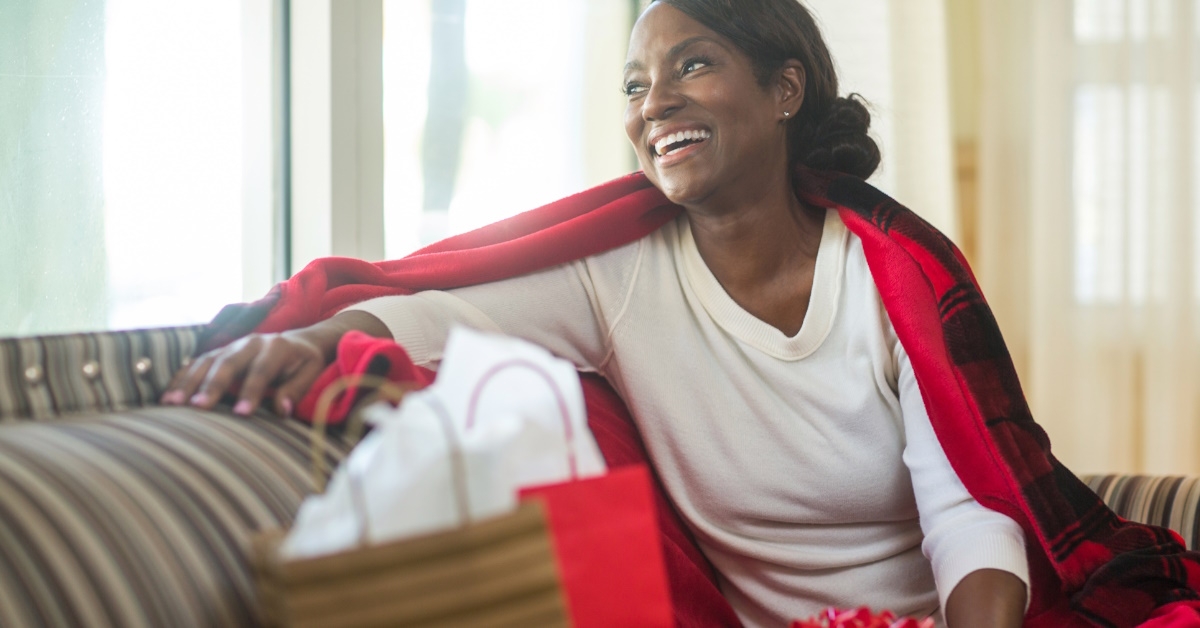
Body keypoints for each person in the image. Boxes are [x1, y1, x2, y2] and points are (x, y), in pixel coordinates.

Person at [163, 1, 1200, 626]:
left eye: (691, 63)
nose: (652, 100)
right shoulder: (609, 280)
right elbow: (432, 318)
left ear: (784, 88)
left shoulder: (891, 274)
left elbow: (966, 505)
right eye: (634, 81)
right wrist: (296, 339)